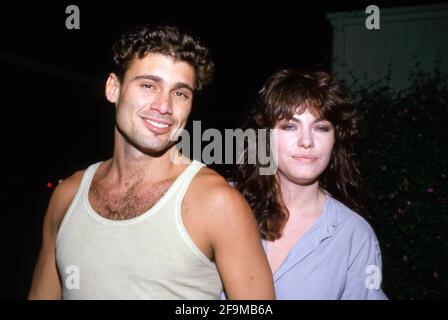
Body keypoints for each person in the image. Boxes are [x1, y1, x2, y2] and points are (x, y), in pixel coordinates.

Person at [28, 24, 275, 300]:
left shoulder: (217, 203)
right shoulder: (67, 196)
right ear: (113, 88)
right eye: (148, 85)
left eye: (180, 93)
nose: (164, 106)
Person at [235, 69, 387, 299]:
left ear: (336, 139)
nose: (306, 141)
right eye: (289, 126)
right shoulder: (222, 203)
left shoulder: (354, 236)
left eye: (320, 128)